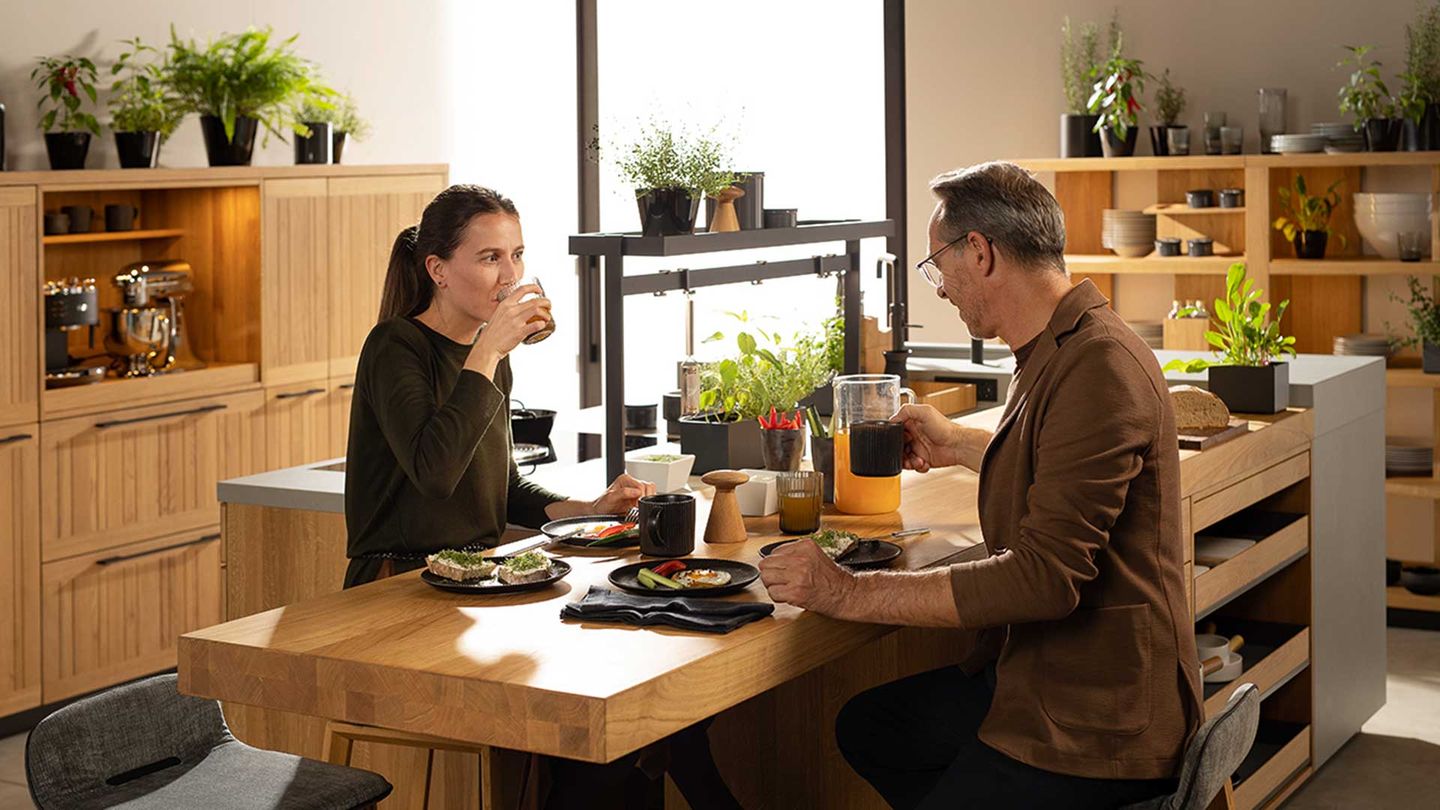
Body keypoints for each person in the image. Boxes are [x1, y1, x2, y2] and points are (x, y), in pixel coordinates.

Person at [758, 162, 1201, 809]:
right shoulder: (1059, 346)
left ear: (981, 252)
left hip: (1098, 720)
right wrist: (960, 445)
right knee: (872, 729)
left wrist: (847, 590)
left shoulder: (1098, 367)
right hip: (1051, 676)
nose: (938, 289)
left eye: (937, 266)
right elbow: (1065, 469)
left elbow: (1043, 579)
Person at [344, 184, 738, 810]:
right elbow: (435, 472)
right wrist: (490, 349)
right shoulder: (396, 346)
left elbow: (501, 491)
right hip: (398, 590)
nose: (510, 275)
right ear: (438, 270)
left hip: (479, 586)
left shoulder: (491, 362)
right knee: (595, 708)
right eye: (490, 258)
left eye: (517, 255)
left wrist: (588, 510)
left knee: (643, 681)